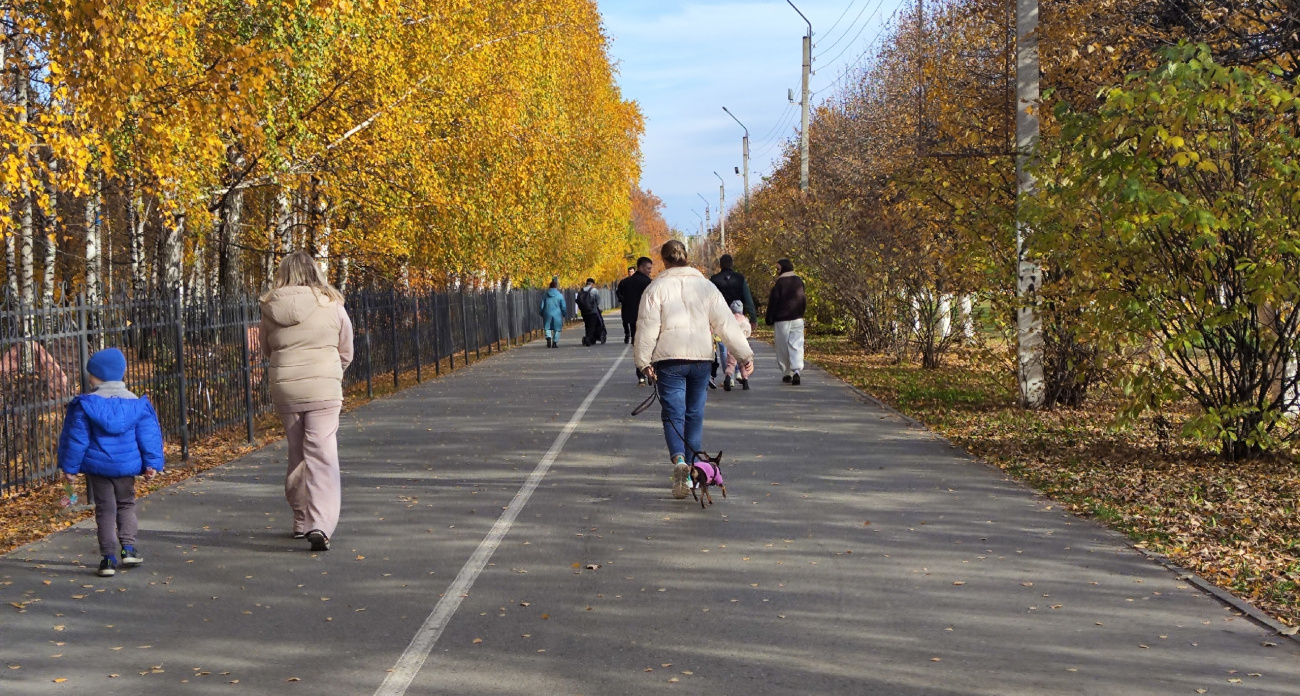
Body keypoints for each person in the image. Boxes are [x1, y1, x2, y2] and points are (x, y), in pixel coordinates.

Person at [636, 240, 754, 499]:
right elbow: (725, 324)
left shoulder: (656, 289)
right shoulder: (706, 286)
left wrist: (644, 362)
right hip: (701, 360)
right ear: (686, 257)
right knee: (694, 414)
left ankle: (679, 461)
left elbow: (647, 328)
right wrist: (744, 355)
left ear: (664, 260)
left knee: (673, 415)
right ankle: (692, 473)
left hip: (669, 360)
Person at [260, 251, 354, 552]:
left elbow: (267, 348)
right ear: (315, 271)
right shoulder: (332, 303)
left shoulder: (270, 306)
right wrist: (331, 372)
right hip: (324, 387)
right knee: (322, 454)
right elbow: (346, 349)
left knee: (297, 450)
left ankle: (300, 520)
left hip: (286, 387)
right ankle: (320, 525)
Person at [58, 347, 165, 577]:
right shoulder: (137, 403)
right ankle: (128, 548)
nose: (88, 377)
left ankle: (108, 558)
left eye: (91, 374)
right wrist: (151, 464)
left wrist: (70, 469)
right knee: (126, 504)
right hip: (126, 467)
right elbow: (149, 435)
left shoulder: (87, 405)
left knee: (105, 509)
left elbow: (78, 439)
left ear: (99, 376)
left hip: (99, 467)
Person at [710, 254, 757, 390]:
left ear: (720, 265)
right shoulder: (740, 279)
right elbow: (748, 299)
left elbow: (710, 300)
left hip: (721, 317)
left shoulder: (714, 280)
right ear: (732, 264)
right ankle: (739, 373)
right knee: (739, 345)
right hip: (739, 317)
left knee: (725, 347)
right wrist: (753, 318)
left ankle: (729, 376)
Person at [766, 258, 807, 385]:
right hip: (797, 319)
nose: (777, 271)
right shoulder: (799, 281)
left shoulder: (779, 284)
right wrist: (801, 313)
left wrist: (769, 318)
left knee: (782, 347)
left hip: (782, 320)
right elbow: (803, 299)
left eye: (778, 269)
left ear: (783, 268)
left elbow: (773, 302)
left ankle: (787, 373)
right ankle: (796, 371)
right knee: (796, 345)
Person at [617, 257, 654, 382]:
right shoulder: (648, 283)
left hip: (632, 318)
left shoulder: (626, 282)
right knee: (649, 344)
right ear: (641, 267)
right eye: (648, 268)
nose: (650, 271)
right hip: (646, 318)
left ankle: (640, 374)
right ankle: (650, 370)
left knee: (637, 345)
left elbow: (620, 295)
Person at [722, 300, 755, 391]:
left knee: (731, 363)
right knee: (743, 364)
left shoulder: (729, 320)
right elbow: (748, 332)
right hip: (743, 345)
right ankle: (745, 381)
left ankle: (728, 378)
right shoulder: (745, 320)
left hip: (732, 344)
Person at [539, 277, 566, 348]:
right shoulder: (560, 295)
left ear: (549, 287)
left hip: (547, 313)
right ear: (556, 287)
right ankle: (554, 342)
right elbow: (563, 306)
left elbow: (542, 305)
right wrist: (564, 313)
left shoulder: (545, 295)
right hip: (557, 314)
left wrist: (541, 312)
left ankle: (548, 337)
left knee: (547, 327)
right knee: (557, 328)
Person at [576, 278, 604, 346]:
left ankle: (588, 337)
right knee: (592, 325)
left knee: (587, 325)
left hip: (584, 312)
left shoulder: (581, 290)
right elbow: (598, 301)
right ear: (592, 284)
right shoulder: (594, 290)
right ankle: (588, 338)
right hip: (592, 311)